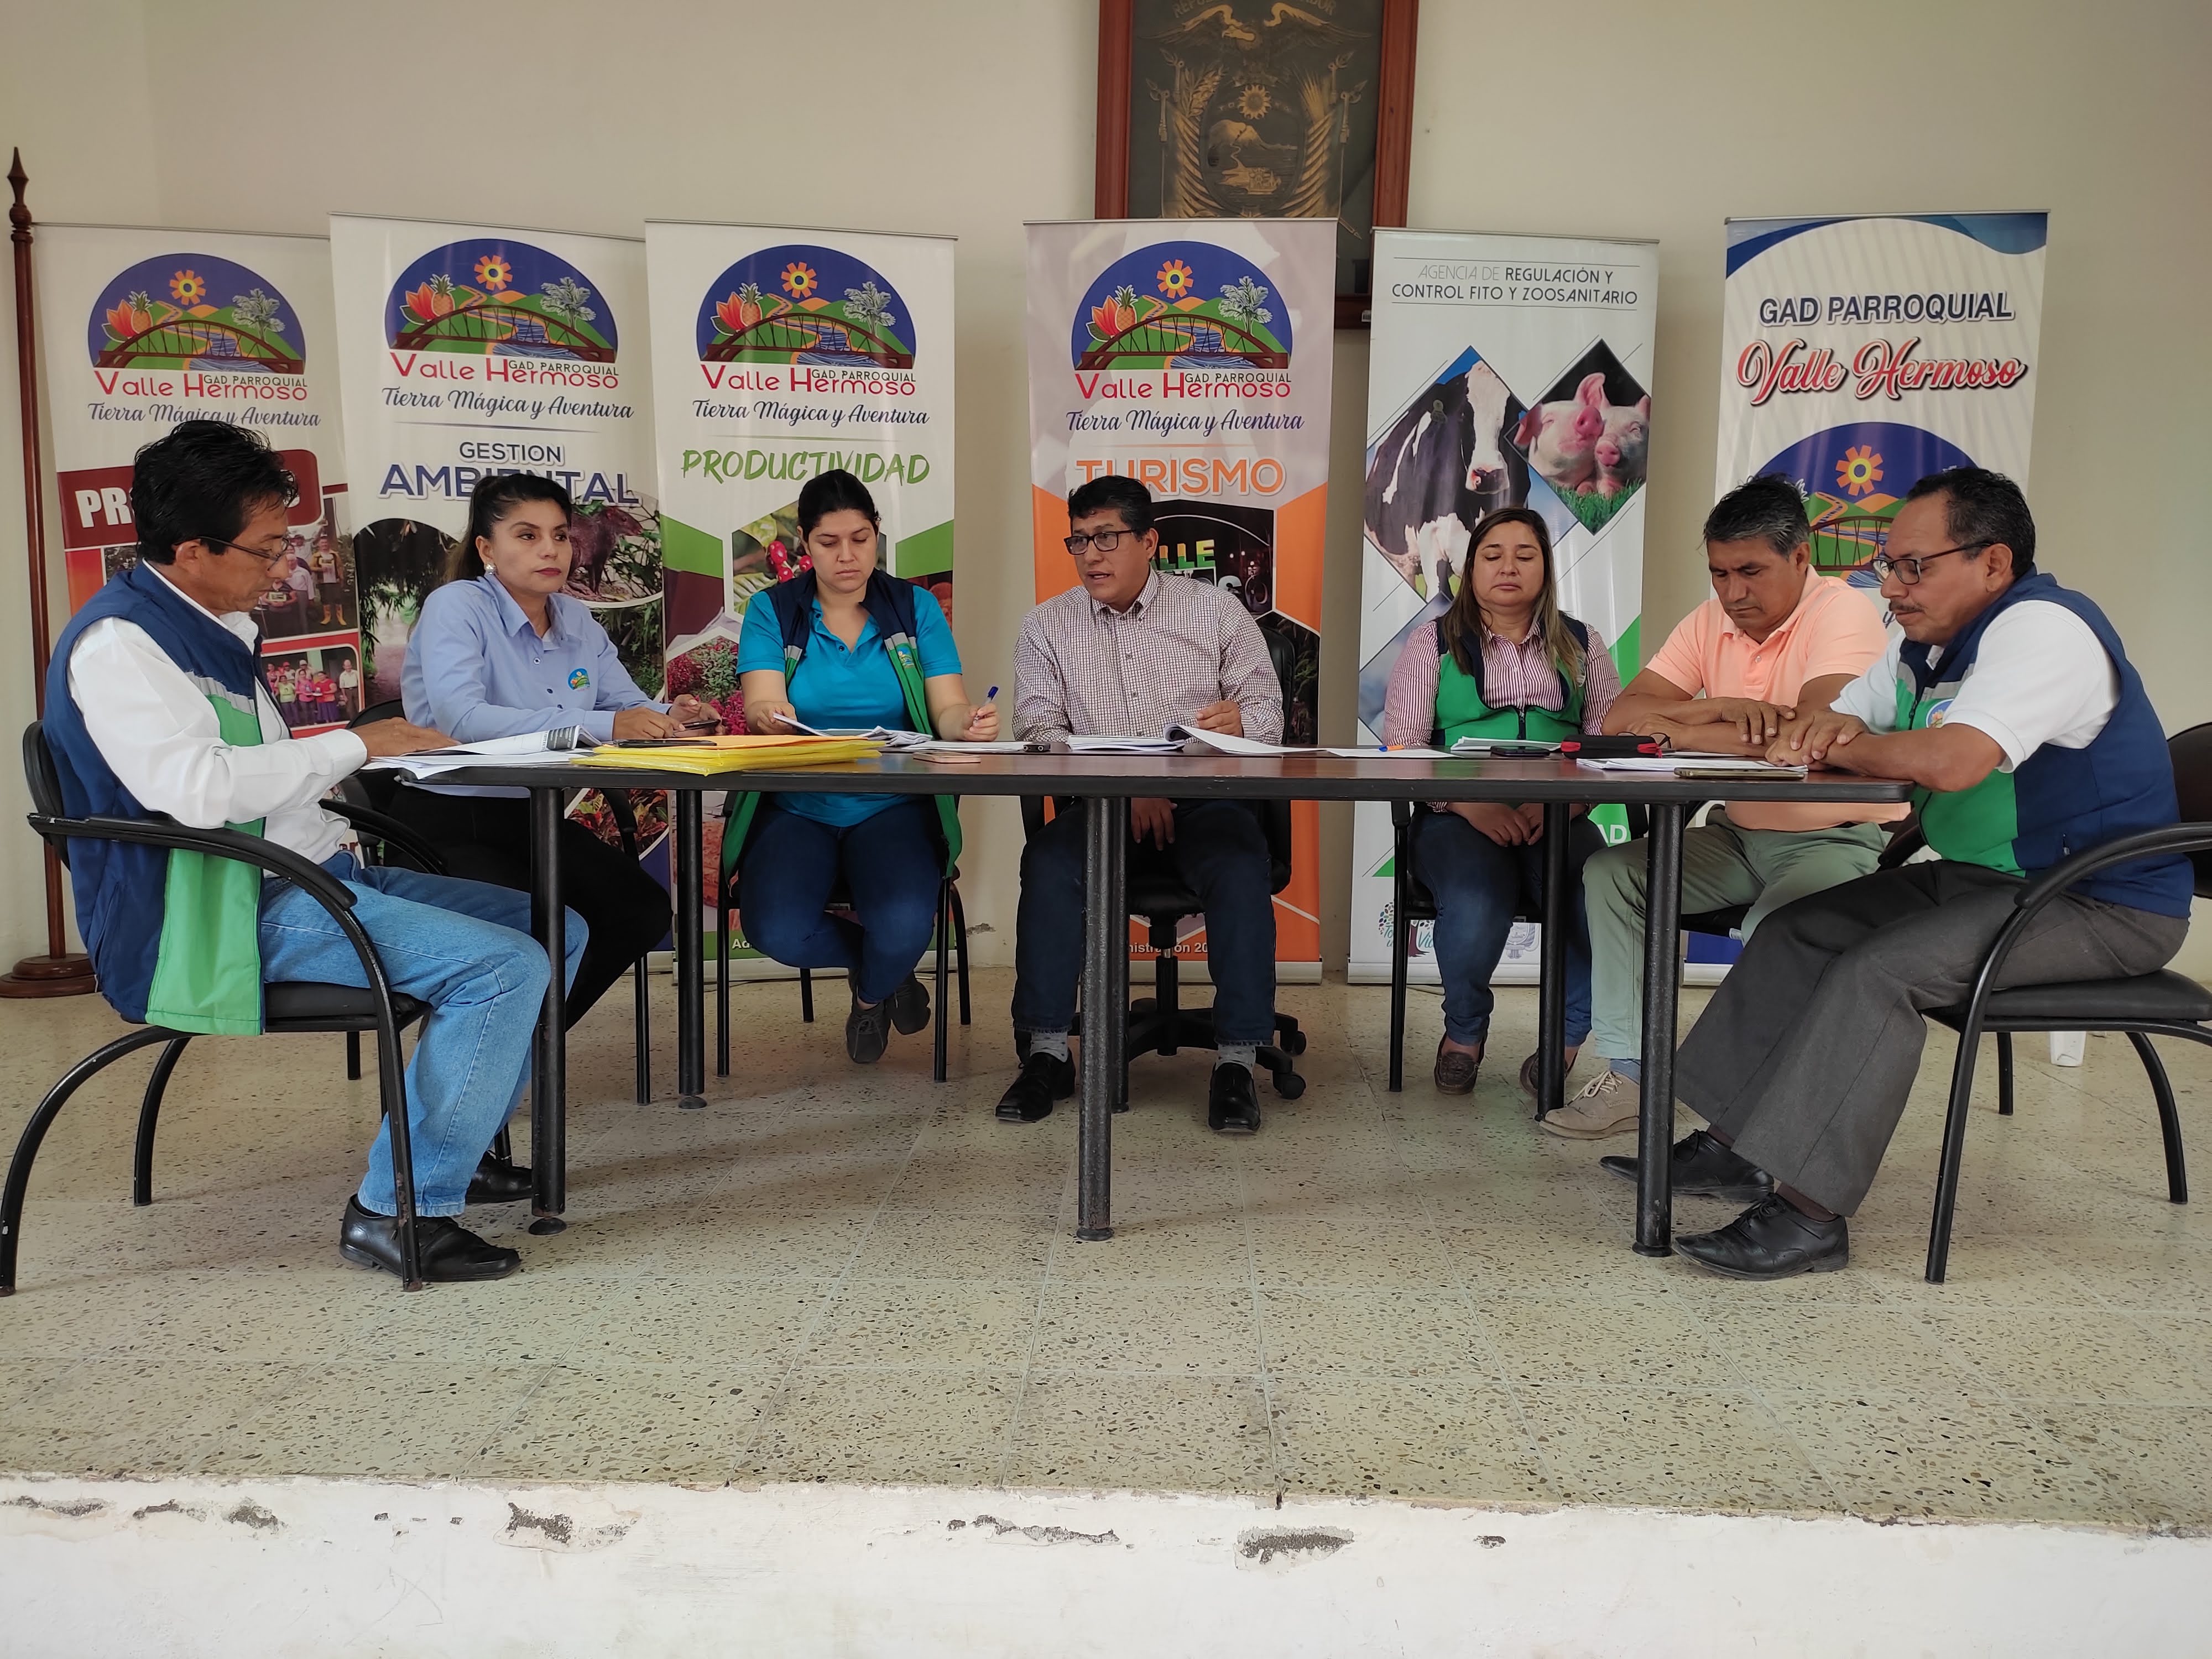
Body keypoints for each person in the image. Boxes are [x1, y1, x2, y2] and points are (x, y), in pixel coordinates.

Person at [1605, 468, 2192, 1279]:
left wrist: (1843, 743)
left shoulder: (2045, 630)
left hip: (2099, 902)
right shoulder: (1927, 648)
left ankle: (1810, 1215)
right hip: (1989, 880)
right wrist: (1832, 735)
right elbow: (1827, 721)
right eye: (1890, 565)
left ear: (1992, 563)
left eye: (1915, 566)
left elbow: (1951, 761)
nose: (1891, 586)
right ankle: (1735, 1146)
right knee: (1799, 929)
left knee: (1878, 972)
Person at [44, 419, 586, 1284]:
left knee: (556, 928)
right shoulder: (123, 645)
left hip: (305, 875)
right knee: (506, 965)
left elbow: (258, 776)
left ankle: (456, 1140)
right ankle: (400, 1210)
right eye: (267, 550)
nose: (282, 567)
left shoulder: (211, 624)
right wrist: (356, 745)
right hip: (220, 910)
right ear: (192, 549)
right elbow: (199, 790)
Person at [1543, 473, 1903, 1140]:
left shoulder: (1841, 612)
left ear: (1801, 558)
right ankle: (1633, 1076)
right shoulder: (1710, 619)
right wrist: (1717, 708)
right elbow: (1621, 718)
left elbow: (1811, 735)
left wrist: (1678, 725)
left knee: (1778, 926)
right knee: (1613, 873)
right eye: (1719, 573)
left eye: (1750, 572)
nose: (1733, 593)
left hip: (1833, 837)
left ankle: (1760, 1104)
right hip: (1739, 834)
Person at [1002, 474, 1284, 1134]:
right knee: (1048, 862)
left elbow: (1269, 714)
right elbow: (1038, 728)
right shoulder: (1046, 625)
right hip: (1101, 805)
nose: (1090, 555)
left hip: (1204, 804)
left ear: (1149, 542)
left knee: (1239, 864)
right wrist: (1124, 789)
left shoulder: (1214, 612)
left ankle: (1237, 1061)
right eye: (1079, 541)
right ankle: (1047, 1053)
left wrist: (1242, 722)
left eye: (1107, 538)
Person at [395, 471, 711, 1026]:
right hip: (448, 816)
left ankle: (531, 1040)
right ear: (486, 549)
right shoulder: (457, 605)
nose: (551, 550)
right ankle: (495, 1042)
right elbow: (462, 718)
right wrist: (610, 723)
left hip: (533, 813)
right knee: (536, 928)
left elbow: (625, 704)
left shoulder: (577, 619)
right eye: (528, 535)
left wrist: (672, 715)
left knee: (639, 910)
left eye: (560, 535)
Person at [732, 469, 996, 1064]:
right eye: (829, 542)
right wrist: (770, 714)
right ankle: (885, 969)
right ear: (804, 542)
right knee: (776, 931)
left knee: (905, 926)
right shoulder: (774, 610)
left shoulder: (913, 607)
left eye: (860, 539)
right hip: (799, 804)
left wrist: (967, 723)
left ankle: (872, 994)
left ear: (877, 533)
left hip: (894, 803)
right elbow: (761, 703)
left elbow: (947, 708)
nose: (847, 556)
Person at [1381, 507, 1621, 1097]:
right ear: (1471, 569)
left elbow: (1609, 746)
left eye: (1525, 555)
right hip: (1457, 814)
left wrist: (1568, 806)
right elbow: (1404, 748)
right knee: (1475, 899)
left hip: (1559, 815)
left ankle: (1567, 1036)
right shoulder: (1433, 643)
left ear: (1546, 569)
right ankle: (1464, 1031)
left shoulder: (1583, 645)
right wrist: (1470, 804)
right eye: (1492, 555)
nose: (1508, 567)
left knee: (1597, 898)